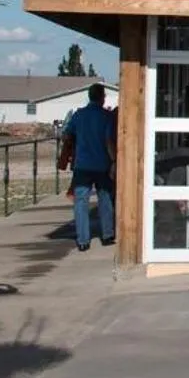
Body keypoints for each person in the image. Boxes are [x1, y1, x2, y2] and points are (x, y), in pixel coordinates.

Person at [59, 83, 118, 252]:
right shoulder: (106, 117)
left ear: (89, 96)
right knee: (105, 199)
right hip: (102, 163)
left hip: (82, 164)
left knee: (81, 202)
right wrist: (114, 161)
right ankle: (107, 234)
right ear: (102, 97)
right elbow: (109, 141)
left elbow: (67, 135)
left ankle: (83, 240)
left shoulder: (79, 115)